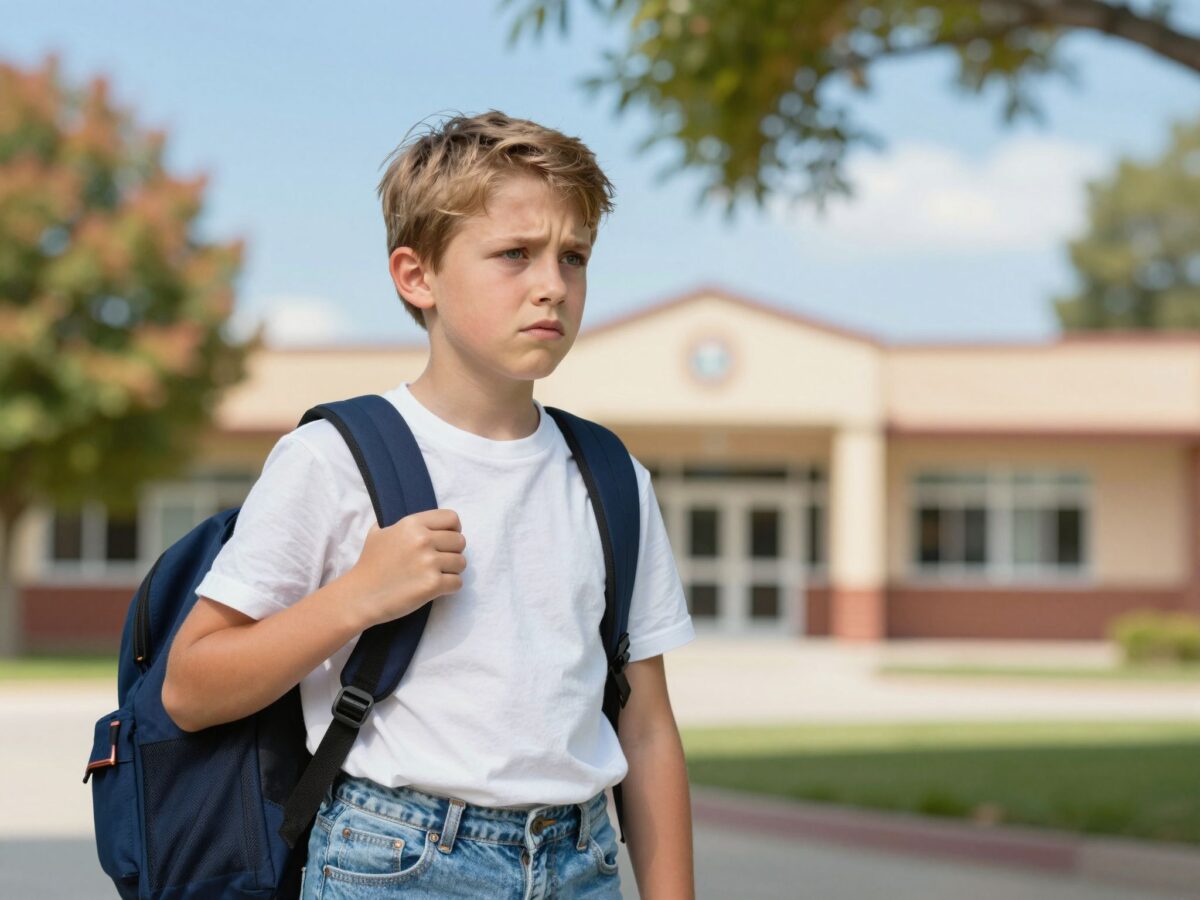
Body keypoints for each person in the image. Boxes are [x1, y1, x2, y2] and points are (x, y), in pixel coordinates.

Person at [161, 110, 697, 898]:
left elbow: (646, 729)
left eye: (573, 257)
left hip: (583, 861)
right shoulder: (333, 459)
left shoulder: (611, 474)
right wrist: (355, 598)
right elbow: (190, 687)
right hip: (396, 862)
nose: (553, 283)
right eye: (515, 254)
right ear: (417, 277)